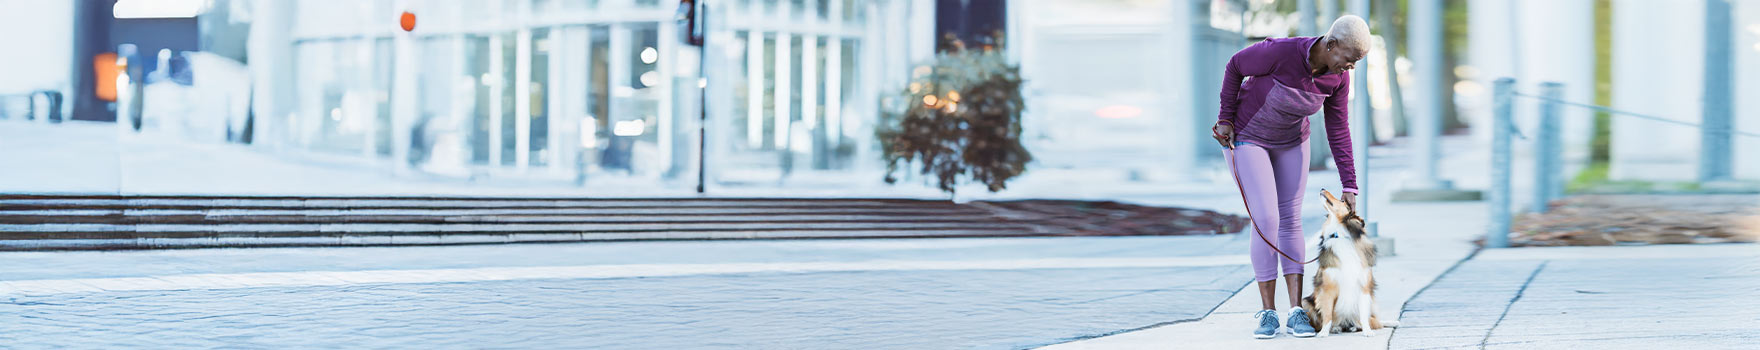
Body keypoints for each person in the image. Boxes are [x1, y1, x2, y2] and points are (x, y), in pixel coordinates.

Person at [1211, 15, 1370, 339]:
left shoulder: (1338, 79)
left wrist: (1349, 184)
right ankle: (1267, 312)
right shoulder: (1280, 53)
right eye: (1349, 59)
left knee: (1290, 220)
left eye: (1356, 63)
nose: (1350, 67)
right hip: (1248, 137)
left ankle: (1295, 310)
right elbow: (1235, 66)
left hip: (1292, 143)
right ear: (1331, 44)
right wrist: (1225, 117)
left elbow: (1338, 129)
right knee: (1267, 219)